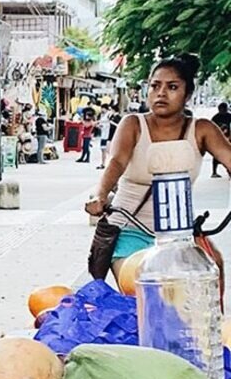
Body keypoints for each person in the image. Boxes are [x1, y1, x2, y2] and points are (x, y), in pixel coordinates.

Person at [87, 53, 231, 265]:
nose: (161, 93)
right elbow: (116, 162)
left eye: (172, 87)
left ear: (188, 94)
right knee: (145, 281)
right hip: (129, 228)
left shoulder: (202, 129)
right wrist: (100, 196)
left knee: (213, 266)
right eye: (155, 86)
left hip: (180, 234)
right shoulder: (133, 124)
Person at [214, 103, 231, 177]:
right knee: (216, 154)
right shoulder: (215, 117)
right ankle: (214, 172)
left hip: (229, 137)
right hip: (219, 138)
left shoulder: (229, 116)